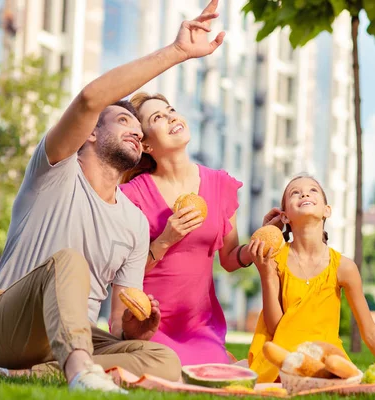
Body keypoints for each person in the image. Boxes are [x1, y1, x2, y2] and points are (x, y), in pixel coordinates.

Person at [0, 1, 225, 392]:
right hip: (3, 325)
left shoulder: (135, 223)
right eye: (124, 121)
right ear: (90, 133)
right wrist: (177, 53)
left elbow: (120, 322)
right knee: (69, 263)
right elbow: (90, 99)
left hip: (71, 338)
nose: (136, 131)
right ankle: (80, 374)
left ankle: (20, 372)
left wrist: (137, 326)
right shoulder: (55, 170)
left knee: (162, 360)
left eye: (140, 128)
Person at [118, 91, 280, 366]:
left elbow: (229, 259)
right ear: (145, 145)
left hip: (200, 326)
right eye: (158, 117)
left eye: (171, 110)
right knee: (168, 372)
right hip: (149, 324)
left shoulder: (220, 184)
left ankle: (223, 358)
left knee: (213, 378)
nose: (171, 117)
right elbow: (122, 274)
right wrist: (165, 240)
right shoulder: (131, 195)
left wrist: (257, 244)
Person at [246, 174, 375, 383]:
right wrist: (267, 274)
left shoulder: (344, 267)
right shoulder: (274, 259)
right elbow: (275, 328)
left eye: (313, 190)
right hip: (281, 361)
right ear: (285, 216)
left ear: (327, 210)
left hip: (327, 362)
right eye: (295, 193)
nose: (304, 193)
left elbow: (369, 331)